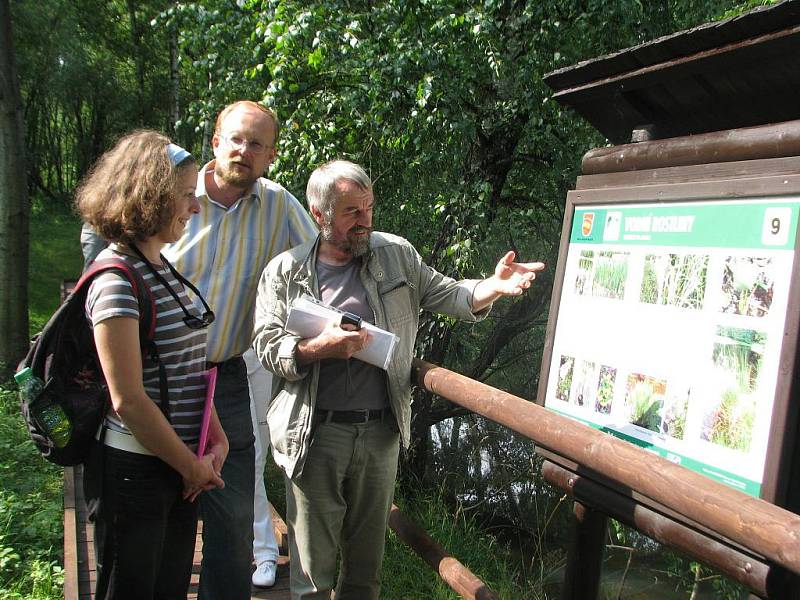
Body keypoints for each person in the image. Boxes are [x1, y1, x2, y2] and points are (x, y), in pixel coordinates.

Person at [252, 159, 545, 600]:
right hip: (313, 433)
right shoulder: (285, 271)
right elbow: (267, 344)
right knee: (312, 573)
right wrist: (319, 348)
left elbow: (450, 293)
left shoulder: (396, 254)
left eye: (368, 208)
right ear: (320, 214)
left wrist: (494, 286)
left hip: (379, 433)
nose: (364, 220)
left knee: (365, 571)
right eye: (352, 211)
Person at [163, 100, 317, 599]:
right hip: (156, 375)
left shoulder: (277, 206)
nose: (243, 151)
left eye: (256, 144)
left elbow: (323, 263)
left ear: (271, 154)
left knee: (230, 522)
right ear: (215, 142)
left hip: (223, 375)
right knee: (161, 512)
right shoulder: (173, 197)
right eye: (235, 139)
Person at [75, 130, 227, 600]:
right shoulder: (117, 279)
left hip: (175, 468)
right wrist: (191, 466)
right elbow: (128, 400)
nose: (195, 208)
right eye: (186, 197)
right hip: (135, 472)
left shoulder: (160, 265)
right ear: (151, 197)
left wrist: (215, 439)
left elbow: (187, 366)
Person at [243, 348, 281, 587]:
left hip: (263, 347)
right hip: (221, 354)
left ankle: (263, 550)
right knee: (249, 458)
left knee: (258, 458)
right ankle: (264, 550)